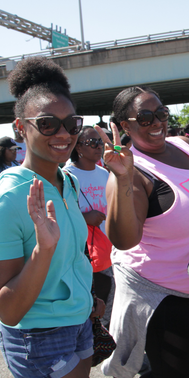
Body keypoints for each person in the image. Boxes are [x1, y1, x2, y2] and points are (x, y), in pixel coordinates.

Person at [0, 56, 101, 378]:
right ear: (20, 128)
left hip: (78, 320)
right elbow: (7, 309)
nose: (63, 134)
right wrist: (41, 251)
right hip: (38, 335)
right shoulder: (10, 198)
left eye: (71, 124)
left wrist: (84, 295)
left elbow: (71, 257)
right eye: (47, 123)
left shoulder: (66, 181)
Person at [100, 85, 189, 378]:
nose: (158, 122)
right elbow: (124, 240)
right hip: (162, 295)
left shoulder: (185, 144)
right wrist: (122, 179)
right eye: (145, 117)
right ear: (125, 126)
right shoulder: (132, 172)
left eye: (161, 113)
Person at [64, 126, 115, 328]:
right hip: (83, 252)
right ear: (78, 148)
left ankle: (108, 345)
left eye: (100, 143)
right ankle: (95, 346)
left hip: (108, 249)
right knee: (93, 303)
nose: (98, 146)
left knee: (110, 300)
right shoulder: (66, 175)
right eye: (92, 142)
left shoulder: (104, 174)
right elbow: (59, 212)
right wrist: (84, 217)